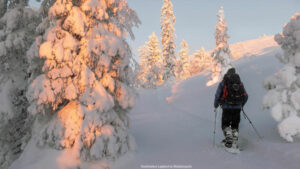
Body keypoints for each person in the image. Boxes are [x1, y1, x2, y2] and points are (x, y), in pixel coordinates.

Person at [214, 68, 248, 149]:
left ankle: (229, 140)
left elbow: (218, 94)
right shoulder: (240, 83)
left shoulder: (224, 82)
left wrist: (216, 104)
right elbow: (246, 96)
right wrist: (241, 105)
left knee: (225, 124)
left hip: (226, 107)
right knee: (235, 125)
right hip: (237, 108)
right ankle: (234, 140)